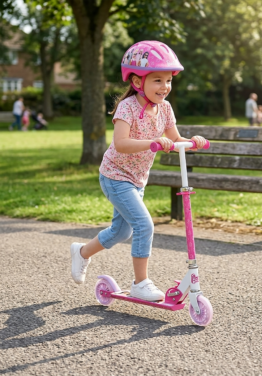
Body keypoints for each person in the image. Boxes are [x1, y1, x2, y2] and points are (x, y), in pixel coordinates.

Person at [70, 40, 207, 302]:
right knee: (144, 225)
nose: (165, 86)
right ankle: (140, 283)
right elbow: (121, 144)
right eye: (157, 80)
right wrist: (153, 143)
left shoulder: (165, 109)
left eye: (168, 80)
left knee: (122, 232)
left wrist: (192, 142)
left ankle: (82, 252)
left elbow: (175, 139)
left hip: (137, 180)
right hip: (114, 176)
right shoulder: (128, 107)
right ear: (136, 81)